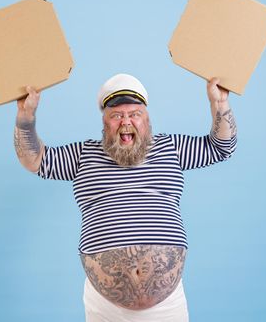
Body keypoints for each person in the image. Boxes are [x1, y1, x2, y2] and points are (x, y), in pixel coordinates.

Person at [13, 73, 237, 321]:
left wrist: (219, 104)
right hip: (105, 308)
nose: (126, 122)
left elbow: (221, 147)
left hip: (167, 307)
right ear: (104, 122)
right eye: (116, 116)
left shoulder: (171, 148)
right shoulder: (83, 154)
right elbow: (34, 160)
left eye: (134, 114)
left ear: (147, 119)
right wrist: (26, 118)